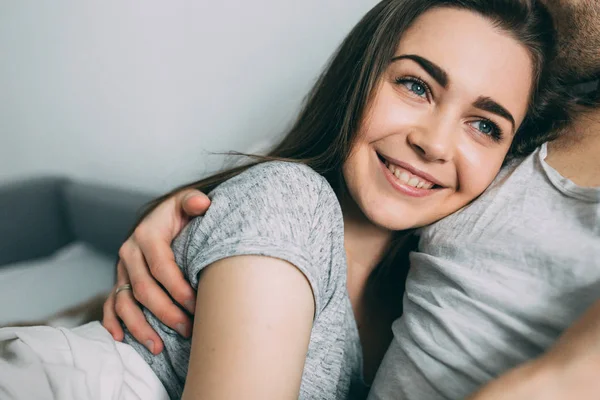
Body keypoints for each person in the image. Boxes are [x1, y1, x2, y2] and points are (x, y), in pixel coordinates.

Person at [0, 0, 572, 399]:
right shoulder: (289, 201)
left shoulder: (421, 302)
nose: (434, 142)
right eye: (415, 86)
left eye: (484, 126)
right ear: (359, 79)